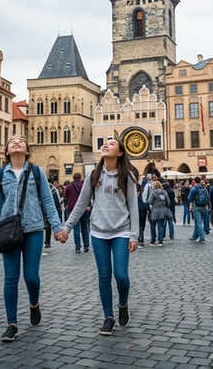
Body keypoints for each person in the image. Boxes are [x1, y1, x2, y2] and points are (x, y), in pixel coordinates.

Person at [58, 138, 139, 336]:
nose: (106, 145)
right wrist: (67, 228)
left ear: (120, 153)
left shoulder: (127, 176)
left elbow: (133, 206)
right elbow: (80, 204)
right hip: (98, 232)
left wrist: (134, 235)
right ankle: (108, 317)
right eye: (105, 143)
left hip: (121, 231)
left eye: (111, 144)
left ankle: (123, 303)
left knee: (121, 275)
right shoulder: (93, 175)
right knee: (104, 276)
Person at [0, 136, 62, 342]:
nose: (16, 143)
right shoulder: (2, 173)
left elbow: (48, 201)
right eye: (11, 142)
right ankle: (11, 324)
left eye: (21, 141)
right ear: (6, 152)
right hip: (8, 230)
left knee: (31, 276)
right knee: (10, 278)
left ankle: (34, 303)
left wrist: (57, 227)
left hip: (34, 229)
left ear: (28, 150)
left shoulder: (36, 172)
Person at [64, 173, 89, 253]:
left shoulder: (69, 186)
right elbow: (88, 195)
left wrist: (66, 205)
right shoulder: (84, 185)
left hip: (73, 210)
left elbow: (65, 196)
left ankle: (78, 247)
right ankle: (86, 246)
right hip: (84, 209)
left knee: (76, 229)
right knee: (85, 228)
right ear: (81, 177)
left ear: (73, 177)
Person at [149, 181, 171, 246]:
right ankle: (160, 241)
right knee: (161, 226)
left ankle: (153, 241)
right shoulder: (164, 192)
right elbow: (168, 202)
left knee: (153, 226)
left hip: (154, 211)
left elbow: (149, 201)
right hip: (162, 211)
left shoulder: (153, 192)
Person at [189, 177, 210, 243]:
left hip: (196, 207)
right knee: (197, 222)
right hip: (203, 207)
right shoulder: (204, 188)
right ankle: (194, 236)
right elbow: (208, 197)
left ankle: (202, 238)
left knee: (198, 223)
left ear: (194, 181)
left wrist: (191, 203)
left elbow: (189, 198)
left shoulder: (194, 188)